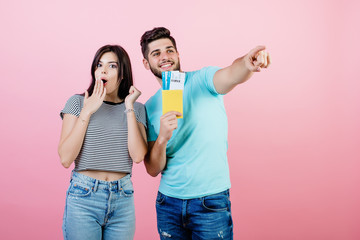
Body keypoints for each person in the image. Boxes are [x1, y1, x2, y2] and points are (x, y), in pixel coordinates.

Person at [141, 27, 271, 240]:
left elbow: (231, 74)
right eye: (156, 53)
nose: (165, 57)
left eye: (169, 50)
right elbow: (153, 169)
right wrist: (163, 137)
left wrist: (247, 64)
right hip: (169, 205)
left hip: (210, 203)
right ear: (146, 63)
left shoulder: (203, 80)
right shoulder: (149, 108)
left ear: (178, 54)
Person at [58, 45, 147, 240]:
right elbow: (65, 158)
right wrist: (87, 111)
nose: (104, 70)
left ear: (122, 74)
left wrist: (129, 107)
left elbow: (138, 156)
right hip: (84, 196)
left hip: (122, 198)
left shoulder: (137, 108)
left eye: (112, 66)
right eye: (99, 65)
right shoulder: (77, 103)